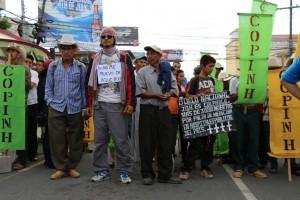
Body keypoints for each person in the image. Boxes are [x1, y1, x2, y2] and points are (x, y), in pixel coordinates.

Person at [87, 27, 135, 184]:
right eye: (103, 36)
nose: (106, 39)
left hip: (117, 104)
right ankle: (101, 170)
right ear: (100, 40)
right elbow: (88, 82)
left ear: (114, 39)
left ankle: (124, 171)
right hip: (99, 103)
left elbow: (131, 82)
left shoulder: (123, 57)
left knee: (121, 140)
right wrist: (89, 104)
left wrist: (130, 103)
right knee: (100, 141)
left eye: (109, 36)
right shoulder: (95, 58)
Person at [136, 45, 182, 185]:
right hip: (148, 109)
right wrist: (156, 95)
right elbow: (140, 92)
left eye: (152, 54)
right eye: (148, 53)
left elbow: (175, 90)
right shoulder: (142, 72)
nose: (149, 56)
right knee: (147, 143)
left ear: (159, 56)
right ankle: (147, 174)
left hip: (164, 110)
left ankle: (165, 175)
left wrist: (169, 94)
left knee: (166, 143)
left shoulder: (167, 72)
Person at [45, 35, 87, 180]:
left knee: (76, 138)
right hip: (56, 107)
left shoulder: (81, 67)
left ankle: (72, 167)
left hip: (75, 107)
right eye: (63, 48)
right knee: (57, 139)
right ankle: (61, 168)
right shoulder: (53, 66)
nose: (66, 51)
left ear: (74, 50)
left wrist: (84, 107)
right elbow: (48, 86)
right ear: (60, 50)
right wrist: (49, 101)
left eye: (69, 48)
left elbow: (83, 89)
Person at [179, 55, 216, 180]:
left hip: (210, 117)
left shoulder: (212, 80)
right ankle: (186, 168)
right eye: (210, 66)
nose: (212, 69)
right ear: (202, 66)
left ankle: (205, 167)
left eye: (213, 66)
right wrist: (199, 96)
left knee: (208, 144)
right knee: (196, 144)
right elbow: (187, 96)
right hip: (197, 118)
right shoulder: (194, 80)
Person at [230, 75, 267, 179]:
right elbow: (231, 98)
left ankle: (253, 168)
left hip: (253, 110)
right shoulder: (235, 80)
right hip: (239, 110)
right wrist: (239, 94)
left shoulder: (258, 80)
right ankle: (239, 167)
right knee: (238, 139)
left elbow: (263, 97)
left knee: (254, 139)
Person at [4, 43, 31, 170]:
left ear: (18, 54)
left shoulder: (24, 68)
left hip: (20, 104)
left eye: (13, 51)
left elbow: (26, 86)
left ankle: (22, 159)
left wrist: (15, 75)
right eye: (8, 51)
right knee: (7, 130)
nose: (10, 53)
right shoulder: (5, 67)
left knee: (21, 132)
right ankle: (7, 157)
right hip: (7, 103)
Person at [37, 59, 54, 168]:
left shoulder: (42, 78)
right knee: (50, 136)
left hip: (44, 111)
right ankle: (50, 160)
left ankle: (48, 159)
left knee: (47, 135)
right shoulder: (48, 79)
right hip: (48, 110)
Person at [131, 55, 147, 162]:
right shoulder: (131, 74)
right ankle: (133, 155)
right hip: (132, 103)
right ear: (136, 63)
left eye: (145, 63)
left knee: (141, 130)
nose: (143, 64)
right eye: (141, 62)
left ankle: (141, 155)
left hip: (144, 103)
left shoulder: (146, 75)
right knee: (132, 130)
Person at [25, 55, 39, 162]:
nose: (28, 64)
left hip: (32, 104)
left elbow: (31, 85)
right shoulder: (19, 71)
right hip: (21, 104)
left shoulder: (34, 73)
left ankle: (32, 153)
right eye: (26, 61)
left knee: (32, 130)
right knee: (23, 131)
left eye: (30, 62)